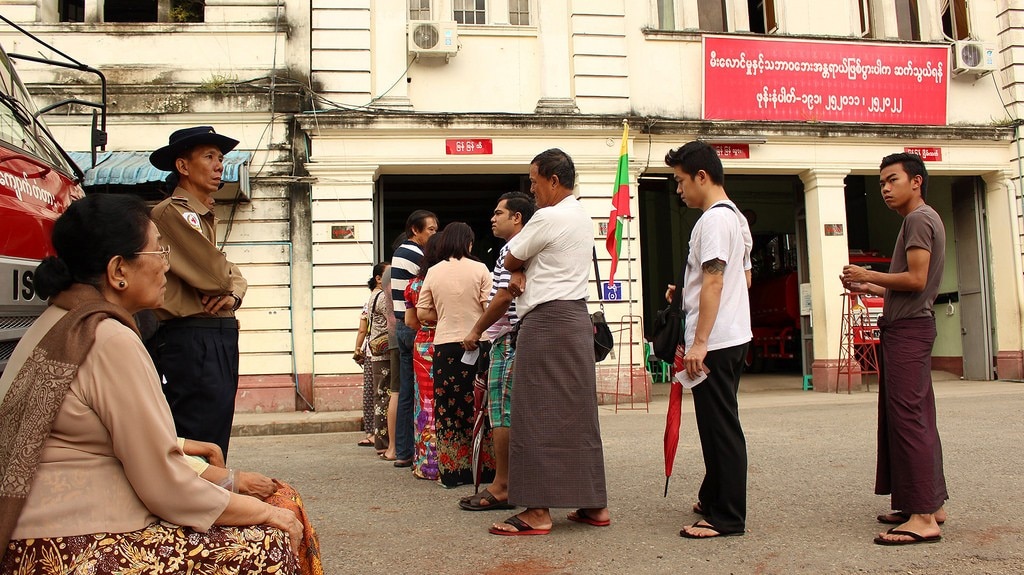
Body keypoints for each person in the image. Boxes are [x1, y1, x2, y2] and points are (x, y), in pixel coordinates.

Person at [0, 194, 300, 573]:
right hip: (72, 545)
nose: (166, 266)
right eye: (159, 251)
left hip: (36, 531)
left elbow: (93, 429)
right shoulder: (108, 337)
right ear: (118, 271)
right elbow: (164, 486)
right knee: (274, 533)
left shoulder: (60, 320)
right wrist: (258, 510)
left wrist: (189, 452)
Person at [489, 149, 610, 536]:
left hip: (545, 321)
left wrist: (520, 270)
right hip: (575, 318)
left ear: (553, 181)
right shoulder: (581, 216)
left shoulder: (548, 216)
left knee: (533, 410)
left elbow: (511, 258)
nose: (532, 188)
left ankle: (537, 511)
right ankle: (594, 503)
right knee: (578, 415)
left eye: (534, 180)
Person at [841, 152, 948, 546]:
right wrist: (872, 287)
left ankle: (922, 517)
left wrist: (868, 272)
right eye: (882, 182)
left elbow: (917, 279)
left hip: (908, 330)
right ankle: (928, 503)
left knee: (908, 420)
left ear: (916, 181)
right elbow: (909, 283)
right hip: (911, 325)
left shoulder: (919, 219)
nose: (885, 188)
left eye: (892, 180)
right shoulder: (923, 218)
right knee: (916, 416)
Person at [664, 141, 753, 539]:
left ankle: (727, 516)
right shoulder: (736, 218)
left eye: (681, 181)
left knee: (720, 428)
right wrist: (686, 289)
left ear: (702, 176)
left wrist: (699, 343)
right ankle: (714, 496)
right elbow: (741, 279)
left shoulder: (714, 221)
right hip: (732, 333)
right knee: (718, 422)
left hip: (715, 340)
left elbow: (716, 278)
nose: (678, 189)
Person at [146, 125, 247, 459]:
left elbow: (230, 277)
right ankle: (193, 506)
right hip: (192, 336)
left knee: (215, 430)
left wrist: (234, 293)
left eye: (220, 158)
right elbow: (219, 275)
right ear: (183, 166)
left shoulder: (203, 213)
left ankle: (207, 501)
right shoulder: (171, 212)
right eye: (209, 156)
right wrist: (230, 284)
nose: (219, 165)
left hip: (213, 333)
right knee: (198, 431)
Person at [460, 192, 535, 511]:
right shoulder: (525, 247)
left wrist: (477, 329)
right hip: (519, 336)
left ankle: (503, 484)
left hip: (509, 338)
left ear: (516, 217)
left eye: (498, 212)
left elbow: (504, 297)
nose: (492, 218)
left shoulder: (514, 249)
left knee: (501, 410)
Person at [417, 223, 494, 488]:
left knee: (448, 408)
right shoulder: (481, 269)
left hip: (446, 347)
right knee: (480, 406)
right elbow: (489, 307)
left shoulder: (434, 272)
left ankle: (452, 472)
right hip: (479, 343)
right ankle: (485, 468)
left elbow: (422, 313)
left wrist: (445, 315)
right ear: (468, 243)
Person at [179, 439, 323, 575]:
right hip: (175, 512)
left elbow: (166, 442)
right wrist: (232, 480)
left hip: (192, 486)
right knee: (273, 540)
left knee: (287, 497)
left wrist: (212, 450)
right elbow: (173, 485)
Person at [392, 211, 439, 467]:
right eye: (430, 229)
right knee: (423, 394)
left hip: (402, 325)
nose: (433, 234)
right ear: (414, 230)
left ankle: (404, 451)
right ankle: (423, 452)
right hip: (417, 327)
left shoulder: (400, 251)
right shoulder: (417, 255)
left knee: (406, 391)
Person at [404, 235, 441, 480]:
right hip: (448, 342)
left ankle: (425, 463)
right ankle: (446, 461)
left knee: (424, 403)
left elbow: (409, 321)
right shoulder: (445, 280)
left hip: (423, 344)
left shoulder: (413, 285)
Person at [355, 262, 389, 449]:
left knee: (372, 393)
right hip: (379, 351)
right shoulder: (382, 298)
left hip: (370, 350)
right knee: (379, 394)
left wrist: (357, 349)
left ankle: (371, 433)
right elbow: (363, 328)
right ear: (378, 278)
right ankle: (376, 435)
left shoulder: (370, 299)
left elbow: (362, 330)